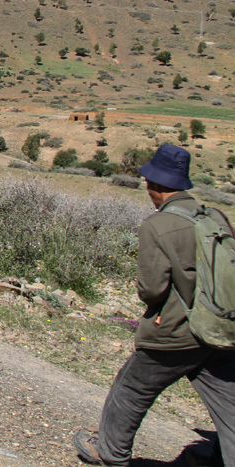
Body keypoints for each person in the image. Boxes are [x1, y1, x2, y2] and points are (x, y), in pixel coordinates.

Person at [75, 144, 235, 466]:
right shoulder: (214, 216)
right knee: (228, 401)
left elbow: (152, 290)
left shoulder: (157, 225)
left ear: (154, 184)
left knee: (131, 388)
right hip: (221, 326)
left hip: (177, 331)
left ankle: (108, 451)